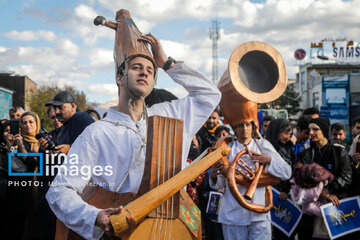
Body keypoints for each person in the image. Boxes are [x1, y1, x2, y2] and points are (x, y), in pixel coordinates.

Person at [46, 31, 221, 239]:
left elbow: (210, 95)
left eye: (150, 70)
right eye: (136, 67)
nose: (145, 73)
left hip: (173, 230)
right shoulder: (96, 132)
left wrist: (166, 63)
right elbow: (59, 191)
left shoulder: (171, 114)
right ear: (119, 77)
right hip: (122, 232)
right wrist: (95, 216)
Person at [210, 120, 291, 240]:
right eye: (240, 125)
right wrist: (214, 176)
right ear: (234, 129)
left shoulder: (262, 145)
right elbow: (220, 185)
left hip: (259, 214)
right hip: (233, 214)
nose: (244, 129)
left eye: (248, 125)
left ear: (252, 127)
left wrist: (268, 159)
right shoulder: (227, 149)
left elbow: (286, 172)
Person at [298, 117, 352, 239]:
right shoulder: (306, 151)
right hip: (311, 205)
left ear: (324, 131)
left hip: (334, 203)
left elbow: (346, 177)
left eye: (315, 129)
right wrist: (319, 192)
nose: (311, 133)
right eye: (309, 129)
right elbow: (301, 177)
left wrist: (329, 190)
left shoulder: (338, 150)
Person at [265, 118, 296, 240]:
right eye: (286, 133)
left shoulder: (288, 148)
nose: (288, 137)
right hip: (270, 196)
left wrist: (287, 191)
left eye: (290, 133)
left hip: (284, 198)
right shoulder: (266, 148)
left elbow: (292, 172)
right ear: (276, 131)